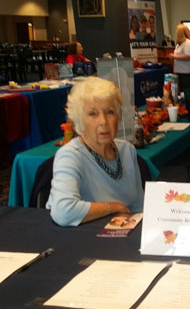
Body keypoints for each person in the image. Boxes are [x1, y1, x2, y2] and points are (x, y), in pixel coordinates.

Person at [46, 77, 144, 227]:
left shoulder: (127, 150)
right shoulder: (70, 155)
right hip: (81, 239)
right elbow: (63, 212)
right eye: (93, 114)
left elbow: (139, 207)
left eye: (110, 112)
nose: (103, 121)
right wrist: (113, 207)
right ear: (79, 120)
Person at [169, 24, 190, 93]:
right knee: (184, 92)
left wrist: (174, 56)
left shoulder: (188, 43)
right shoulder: (179, 44)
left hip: (188, 73)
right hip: (181, 72)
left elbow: (188, 56)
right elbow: (178, 55)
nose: (176, 33)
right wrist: (173, 57)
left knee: (189, 92)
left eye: (177, 31)